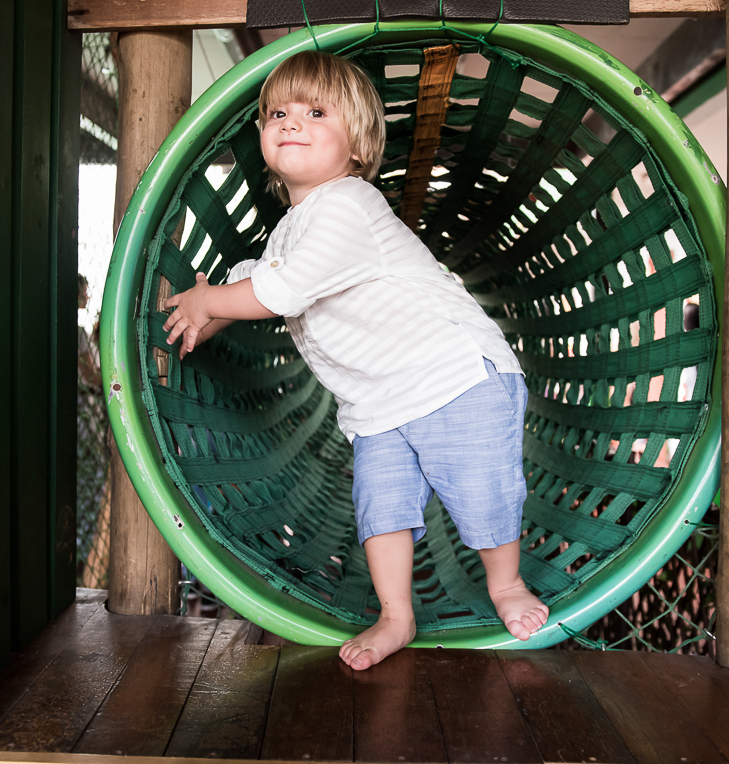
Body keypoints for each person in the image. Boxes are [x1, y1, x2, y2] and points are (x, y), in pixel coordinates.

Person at [162, 51, 548, 671]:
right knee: (381, 506)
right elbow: (260, 276)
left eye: (315, 112)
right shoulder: (293, 225)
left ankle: (505, 584)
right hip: (377, 402)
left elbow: (280, 292)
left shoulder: (348, 204)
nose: (290, 122)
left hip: (454, 377)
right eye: (276, 113)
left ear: (359, 145)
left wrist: (210, 298)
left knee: (481, 491)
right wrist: (211, 313)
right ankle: (396, 614)